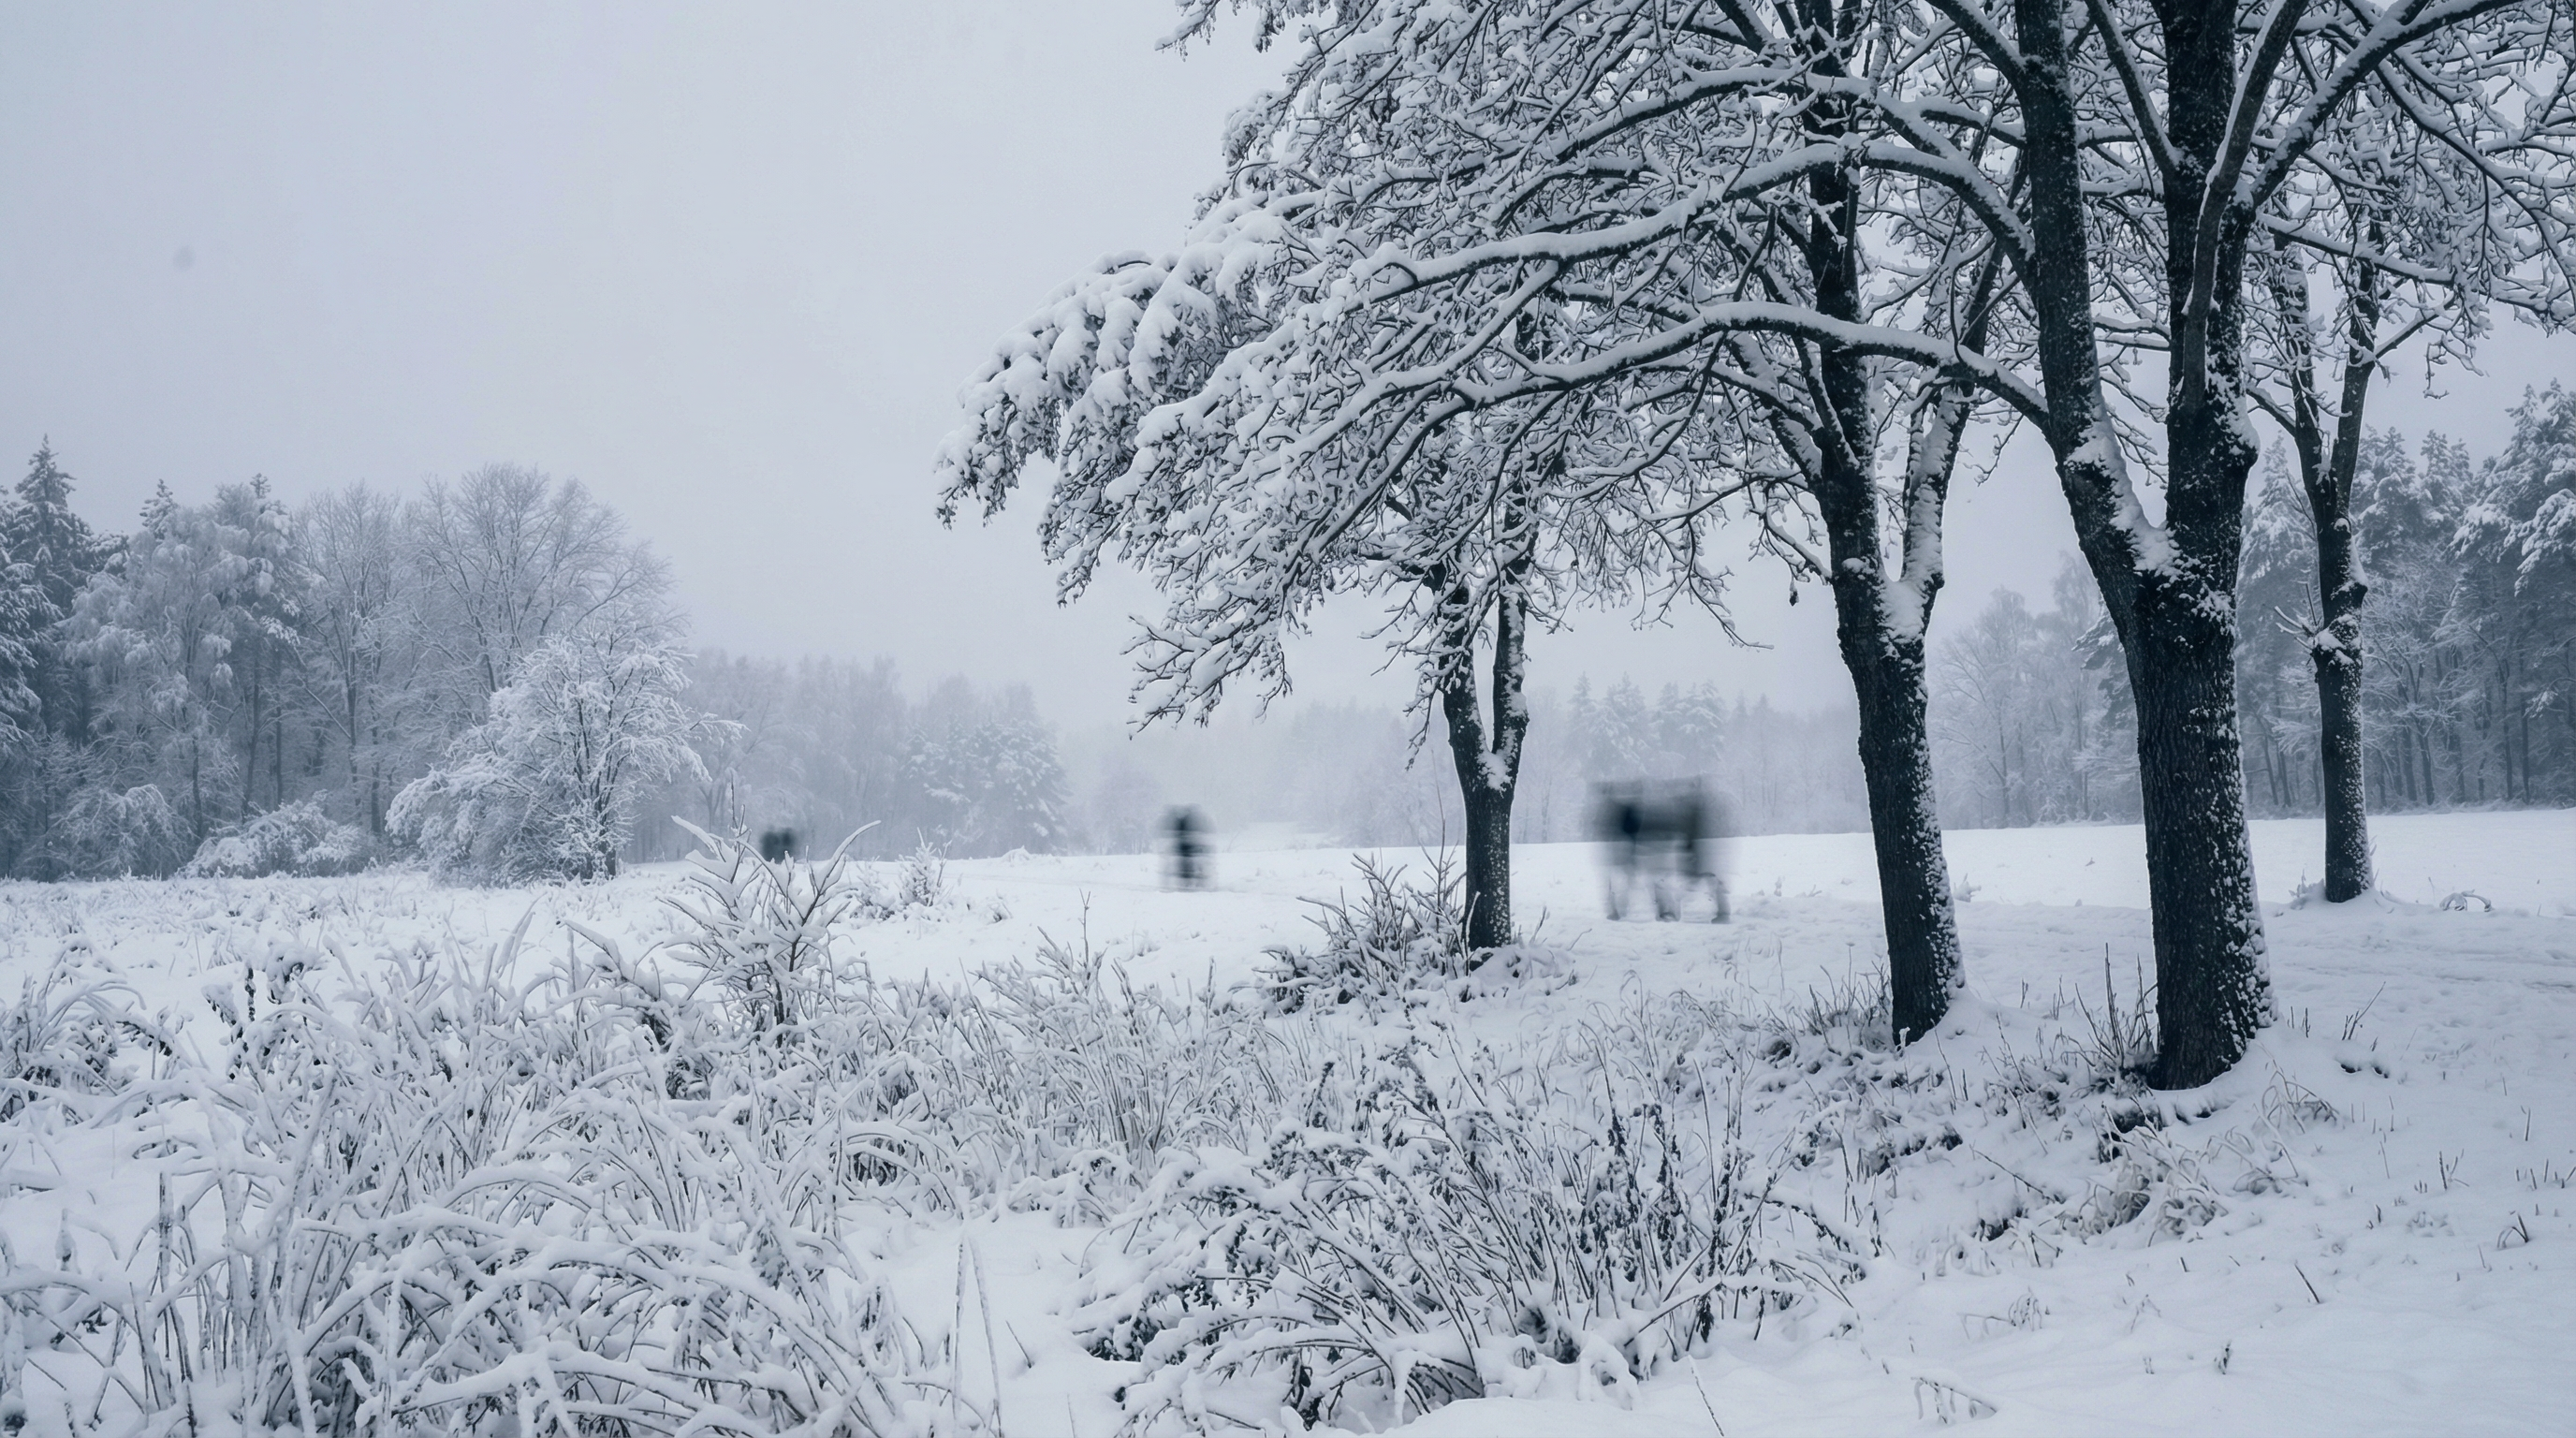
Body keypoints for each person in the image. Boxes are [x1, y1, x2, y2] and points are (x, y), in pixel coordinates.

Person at [1166, 807, 1208, 890]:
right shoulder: (1199, 820)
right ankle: (1196, 883)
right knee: (1193, 866)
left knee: (1186, 867)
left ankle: (1187, 884)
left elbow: (1179, 834)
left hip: (1186, 848)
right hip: (1192, 848)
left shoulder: (1182, 820)